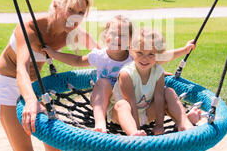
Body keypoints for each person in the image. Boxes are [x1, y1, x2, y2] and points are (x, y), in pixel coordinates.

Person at [0, 0, 95, 151]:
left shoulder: (71, 32)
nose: (76, 17)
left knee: (54, 149)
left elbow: (105, 55)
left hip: (34, 87)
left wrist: (139, 69)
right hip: (7, 85)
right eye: (71, 10)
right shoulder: (29, 28)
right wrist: (30, 100)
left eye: (81, 12)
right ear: (55, 5)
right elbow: (22, 69)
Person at [43, 17, 198, 134]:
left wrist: (183, 51)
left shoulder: (135, 55)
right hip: (116, 108)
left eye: (123, 36)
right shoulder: (100, 56)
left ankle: (183, 120)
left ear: (131, 42)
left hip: (143, 105)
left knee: (167, 93)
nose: (118, 39)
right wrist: (53, 54)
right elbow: (77, 60)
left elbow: (161, 56)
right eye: (114, 34)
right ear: (105, 36)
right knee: (103, 84)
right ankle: (101, 123)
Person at [107, 29, 201, 136]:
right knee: (122, 104)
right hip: (121, 117)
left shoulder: (158, 72)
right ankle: (133, 133)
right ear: (131, 51)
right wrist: (137, 128)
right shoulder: (126, 74)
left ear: (158, 54)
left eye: (151, 54)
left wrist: (159, 125)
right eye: (140, 53)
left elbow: (159, 99)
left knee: (168, 92)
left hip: (146, 113)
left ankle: (183, 121)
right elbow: (131, 103)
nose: (145, 58)